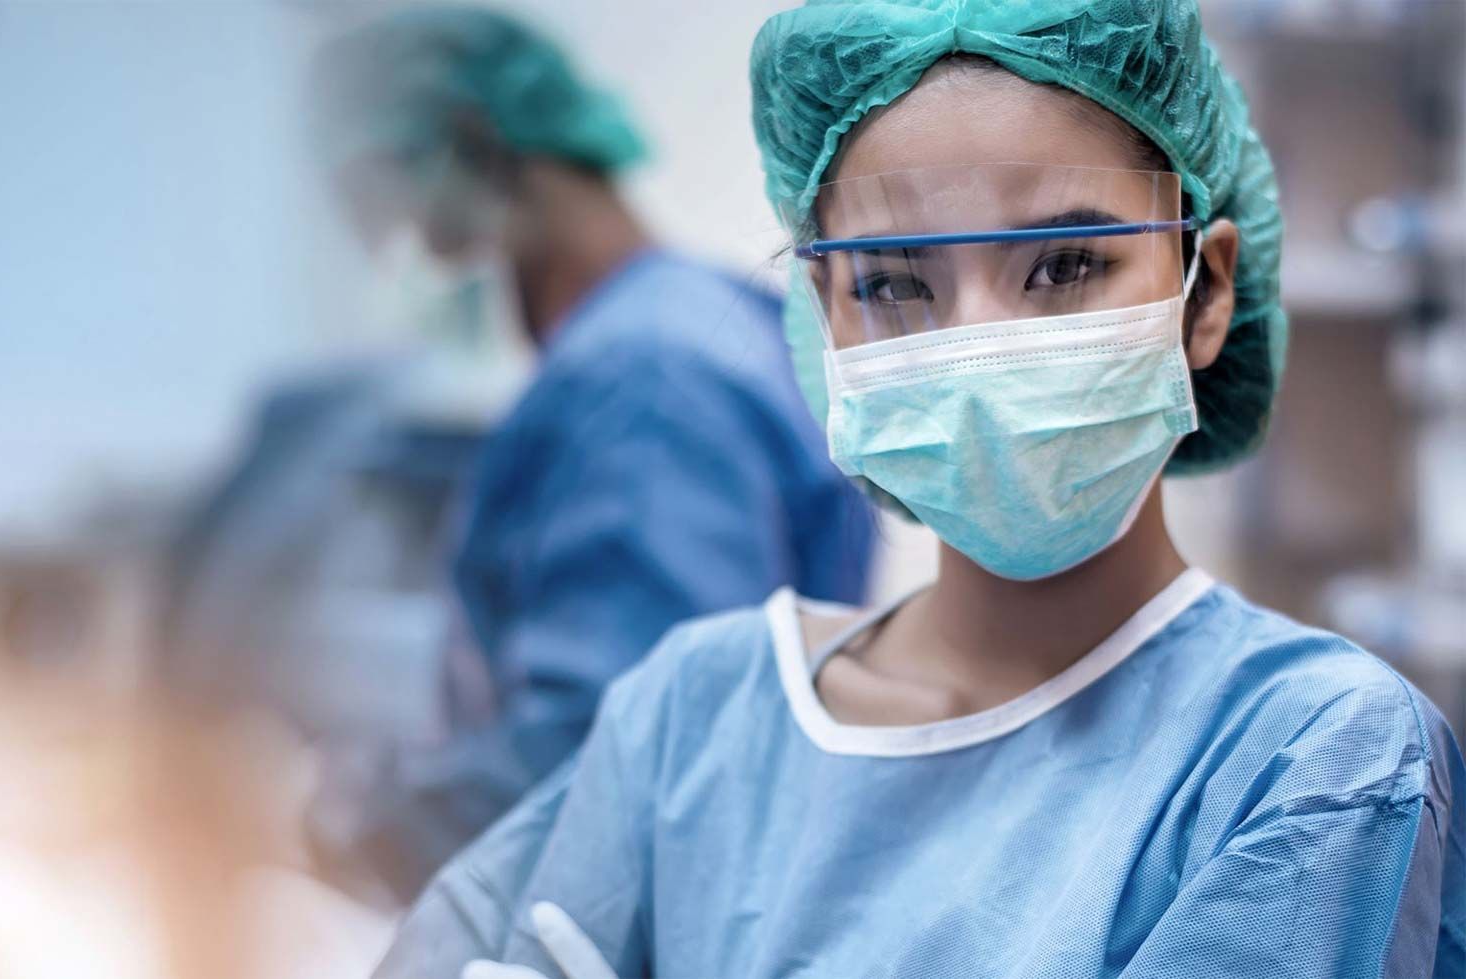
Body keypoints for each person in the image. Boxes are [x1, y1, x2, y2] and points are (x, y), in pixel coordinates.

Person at [376, 2, 1466, 977]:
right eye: (895, 284)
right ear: (823, 317)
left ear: (1204, 291)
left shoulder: (1312, 757)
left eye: (1066, 265)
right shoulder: (691, 719)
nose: (979, 349)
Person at [300, 6, 878, 905]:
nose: (405, 261)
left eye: (399, 221)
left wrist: (346, 817)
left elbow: (605, 760)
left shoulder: (641, 382)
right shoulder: (709, 319)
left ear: (474, 145)